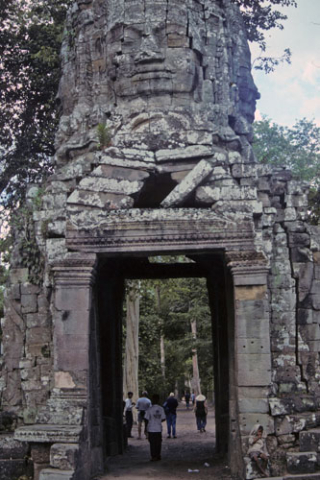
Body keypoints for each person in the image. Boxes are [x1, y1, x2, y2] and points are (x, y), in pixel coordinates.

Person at [145, 394, 166, 461]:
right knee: (158, 442)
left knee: (152, 443)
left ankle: (153, 456)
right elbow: (163, 418)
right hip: (158, 428)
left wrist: (145, 428)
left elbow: (146, 419)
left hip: (151, 428)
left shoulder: (149, 409)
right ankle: (158, 455)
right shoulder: (161, 409)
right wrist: (158, 421)